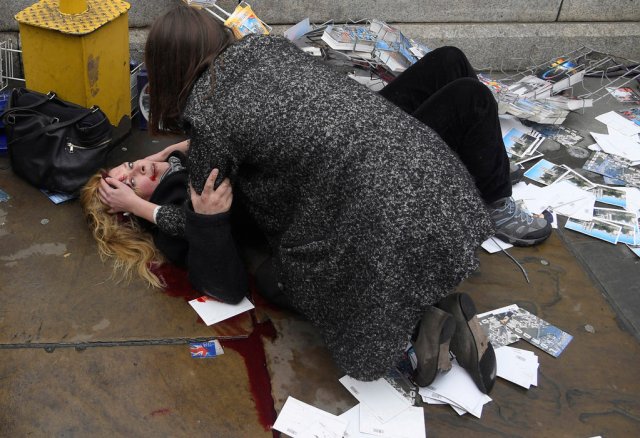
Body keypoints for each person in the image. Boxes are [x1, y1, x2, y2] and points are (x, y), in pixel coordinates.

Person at [122, 4, 555, 392]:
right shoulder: (266, 49)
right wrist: (182, 150)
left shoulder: (209, 115)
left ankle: (418, 327)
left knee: (282, 280)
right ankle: (431, 307)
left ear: (167, 69)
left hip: (381, 211)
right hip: (443, 181)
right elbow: (270, 124)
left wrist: (138, 206)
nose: (138, 168)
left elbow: (208, 223)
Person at [80, 145, 250, 304]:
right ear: (131, 206)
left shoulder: (171, 165)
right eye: (132, 183)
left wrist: (163, 155)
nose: (141, 167)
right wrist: (136, 206)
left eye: (130, 164)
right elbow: (192, 224)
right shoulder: (172, 209)